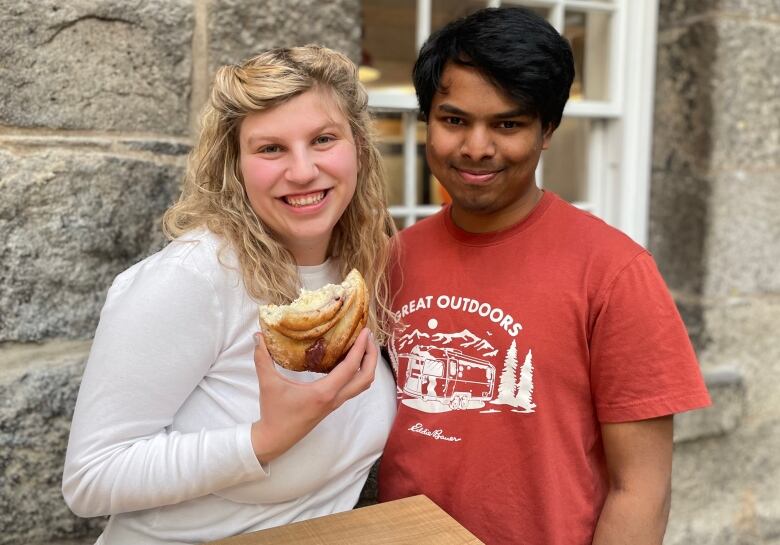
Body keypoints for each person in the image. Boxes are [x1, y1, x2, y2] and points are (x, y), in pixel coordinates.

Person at [377, 7, 711, 545]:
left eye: (507, 124)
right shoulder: (392, 259)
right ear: (427, 122)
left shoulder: (615, 272)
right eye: (454, 120)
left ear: (547, 130)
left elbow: (641, 489)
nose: (476, 148)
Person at [62, 45, 397, 544]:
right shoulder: (195, 276)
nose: (303, 170)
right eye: (270, 149)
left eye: (323, 139)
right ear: (233, 165)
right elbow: (90, 480)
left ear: (359, 148)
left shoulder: (367, 264)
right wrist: (264, 439)